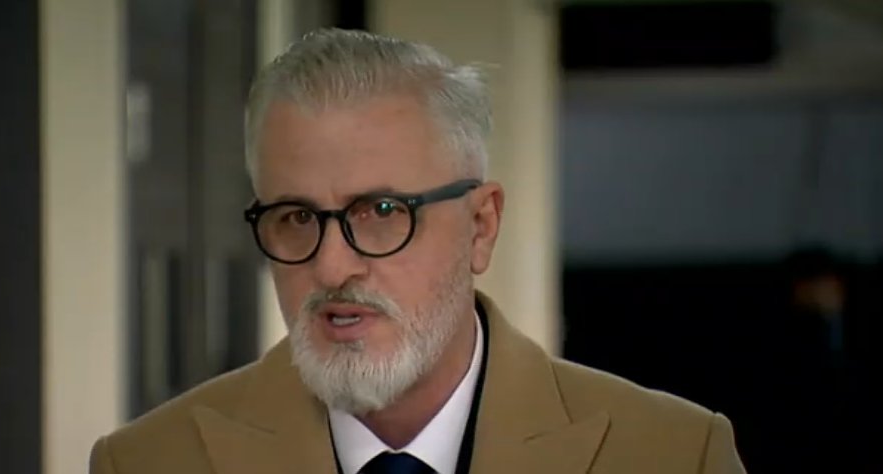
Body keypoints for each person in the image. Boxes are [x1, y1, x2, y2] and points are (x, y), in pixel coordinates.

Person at [90, 28, 746, 473]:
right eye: (296, 217)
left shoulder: (673, 455)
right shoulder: (149, 462)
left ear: (481, 226)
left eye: (382, 213)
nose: (331, 266)